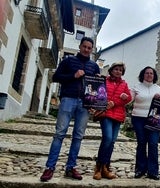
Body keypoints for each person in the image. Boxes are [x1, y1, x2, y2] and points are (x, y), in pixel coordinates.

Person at [40, 37, 100, 182]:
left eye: (89, 47)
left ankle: (70, 167)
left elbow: (96, 88)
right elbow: (56, 77)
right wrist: (73, 75)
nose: (86, 49)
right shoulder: (68, 61)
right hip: (68, 99)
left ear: (92, 50)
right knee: (59, 133)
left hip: (85, 104)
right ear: (80, 46)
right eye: (84, 46)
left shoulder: (94, 66)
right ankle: (50, 167)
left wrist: (96, 97)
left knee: (78, 136)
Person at [93, 62, 132, 180]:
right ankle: (99, 167)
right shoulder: (105, 81)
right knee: (107, 138)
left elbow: (129, 98)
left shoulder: (124, 84)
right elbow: (99, 94)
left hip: (118, 115)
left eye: (120, 70)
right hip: (106, 114)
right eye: (116, 69)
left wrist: (122, 99)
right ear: (111, 70)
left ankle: (106, 167)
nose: (118, 71)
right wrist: (107, 102)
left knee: (112, 141)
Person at [131, 66, 160, 180]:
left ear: (154, 76)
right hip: (138, 118)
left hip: (154, 120)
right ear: (143, 75)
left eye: (151, 73)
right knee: (141, 143)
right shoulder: (136, 86)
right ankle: (140, 169)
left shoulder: (157, 88)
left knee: (153, 144)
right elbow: (129, 99)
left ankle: (153, 171)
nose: (149, 75)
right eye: (147, 73)